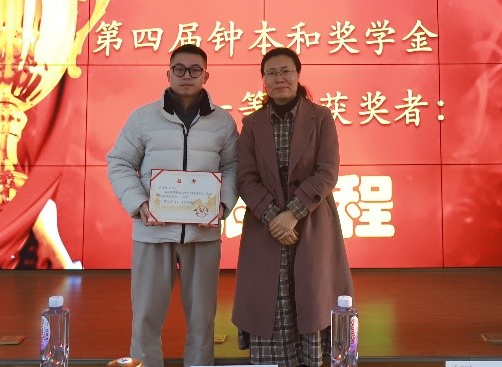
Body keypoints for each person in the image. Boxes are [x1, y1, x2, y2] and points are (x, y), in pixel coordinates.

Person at [106, 44, 239, 367]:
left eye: (195, 70)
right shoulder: (143, 117)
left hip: (202, 233)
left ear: (206, 75)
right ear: (168, 73)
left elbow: (233, 167)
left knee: (203, 319)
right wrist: (139, 203)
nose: (186, 75)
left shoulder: (223, 122)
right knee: (146, 317)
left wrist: (222, 204)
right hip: (152, 232)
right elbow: (119, 162)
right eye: (179, 69)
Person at [232, 47, 354, 367]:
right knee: (272, 302)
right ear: (264, 80)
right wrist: (275, 218)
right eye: (271, 73)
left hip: (311, 223)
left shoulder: (321, 117)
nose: (279, 78)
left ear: (298, 75)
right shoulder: (252, 123)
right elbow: (245, 178)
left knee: (313, 297)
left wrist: (293, 214)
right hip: (267, 228)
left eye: (286, 71)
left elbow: (327, 172)